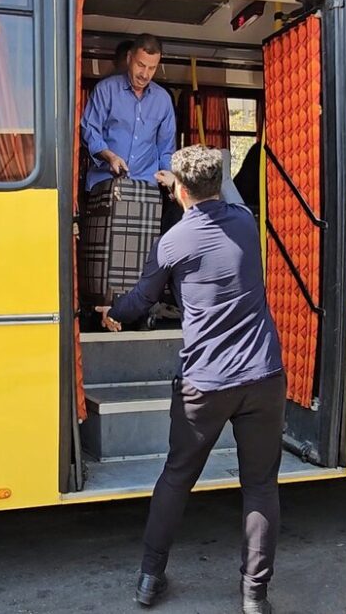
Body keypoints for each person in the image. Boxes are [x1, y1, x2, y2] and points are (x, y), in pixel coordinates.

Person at [95, 145, 285, 614]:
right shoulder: (246, 223)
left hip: (206, 382)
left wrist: (112, 314)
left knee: (177, 477)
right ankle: (254, 595)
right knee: (260, 485)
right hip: (263, 374)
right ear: (218, 184)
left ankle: (149, 578)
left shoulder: (174, 242)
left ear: (178, 189)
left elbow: (142, 299)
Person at [80, 33, 176, 192]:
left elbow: (166, 149)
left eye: (152, 68)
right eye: (141, 65)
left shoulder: (163, 100)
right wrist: (110, 156)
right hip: (103, 184)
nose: (145, 74)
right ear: (129, 58)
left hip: (145, 188)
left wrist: (172, 180)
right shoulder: (106, 90)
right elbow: (89, 131)